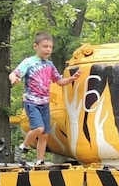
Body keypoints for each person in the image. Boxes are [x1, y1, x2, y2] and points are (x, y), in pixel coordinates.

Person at [9, 31, 81, 164]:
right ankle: (22, 147)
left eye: (50, 47)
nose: (48, 49)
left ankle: (40, 160)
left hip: (44, 104)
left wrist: (71, 79)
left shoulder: (50, 65)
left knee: (44, 134)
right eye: (45, 46)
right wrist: (14, 79)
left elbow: (59, 81)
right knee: (39, 128)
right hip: (32, 102)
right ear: (35, 46)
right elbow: (13, 73)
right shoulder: (29, 62)